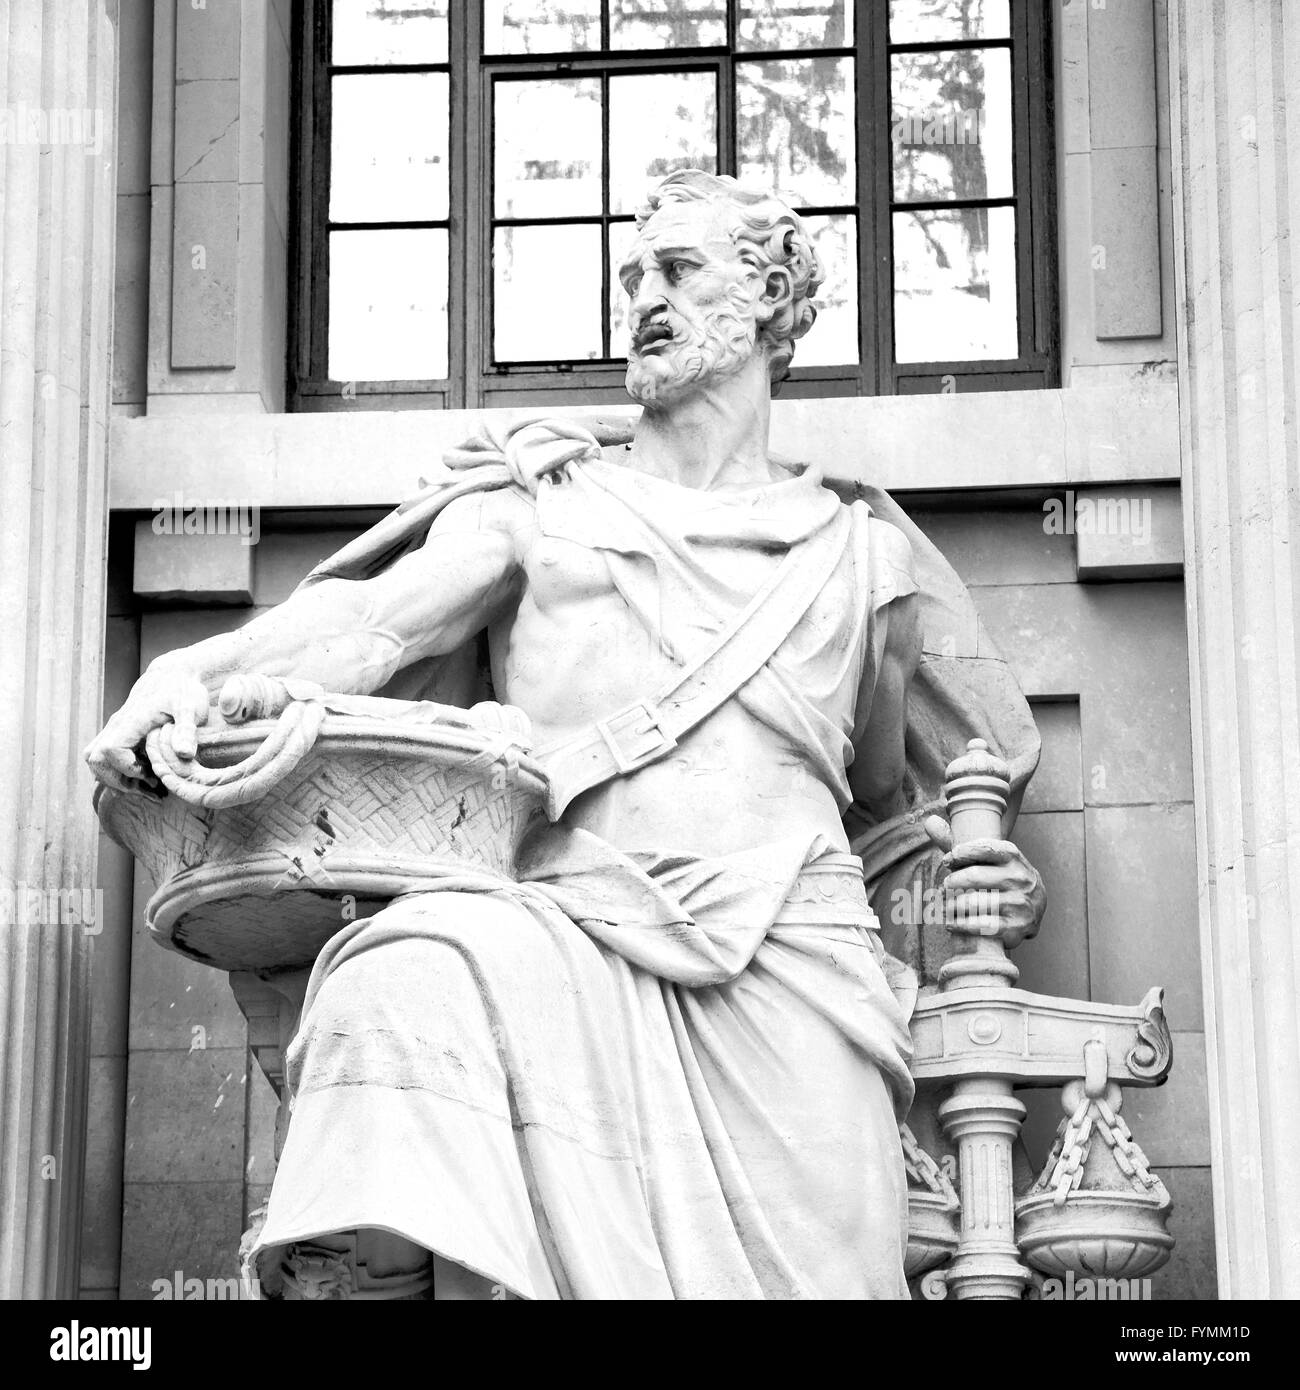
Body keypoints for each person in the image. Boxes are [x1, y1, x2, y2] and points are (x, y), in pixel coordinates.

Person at [87, 170, 1044, 1299]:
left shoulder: (861, 562)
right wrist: (189, 673)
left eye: (678, 270)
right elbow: (365, 626)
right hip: (564, 929)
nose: (645, 299)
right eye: (634, 278)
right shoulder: (541, 510)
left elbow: (885, 804)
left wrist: (975, 885)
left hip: (794, 960)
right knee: (398, 975)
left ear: (773, 296)